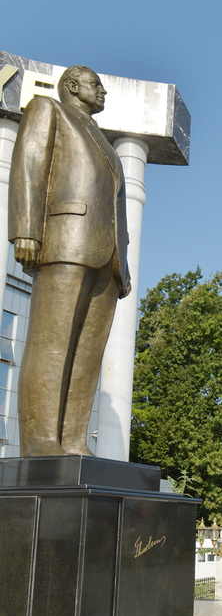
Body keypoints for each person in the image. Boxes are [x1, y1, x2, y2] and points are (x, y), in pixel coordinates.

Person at [8, 65, 130, 457]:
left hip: (105, 258)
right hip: (64, 241)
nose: (103, 91)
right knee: (52, 343)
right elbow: (29, 166)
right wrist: (26, 229)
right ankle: (40, 440)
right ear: (72, 85)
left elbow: (117, 208)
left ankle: (74, 441)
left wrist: (122, 263)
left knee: (87, 354)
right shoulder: (47, 109)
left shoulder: (107, 145)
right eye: (97, 84)